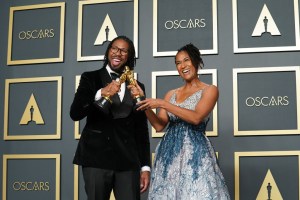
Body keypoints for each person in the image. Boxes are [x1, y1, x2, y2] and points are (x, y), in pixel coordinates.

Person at [129, 43, 231, 199]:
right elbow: (158, 125)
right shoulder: (171, 94)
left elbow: (196, 118)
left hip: (195, 154)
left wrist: (163, 103)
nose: (182, 65)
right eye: (178, 63)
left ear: (196, 61)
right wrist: (142, 100)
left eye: (186, 60)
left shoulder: (210, 90)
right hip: (168, 154)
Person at [70, 35, 151, 200]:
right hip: (96, 159)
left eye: (123, 51)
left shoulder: (137, 86)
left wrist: (145, 167)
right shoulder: (90, 78)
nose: (118, 53)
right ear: (108, 52)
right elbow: (75, 113)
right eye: (114, 48)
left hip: (128, 161)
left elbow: (141, 129)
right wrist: (101, 93)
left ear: (129, 56)